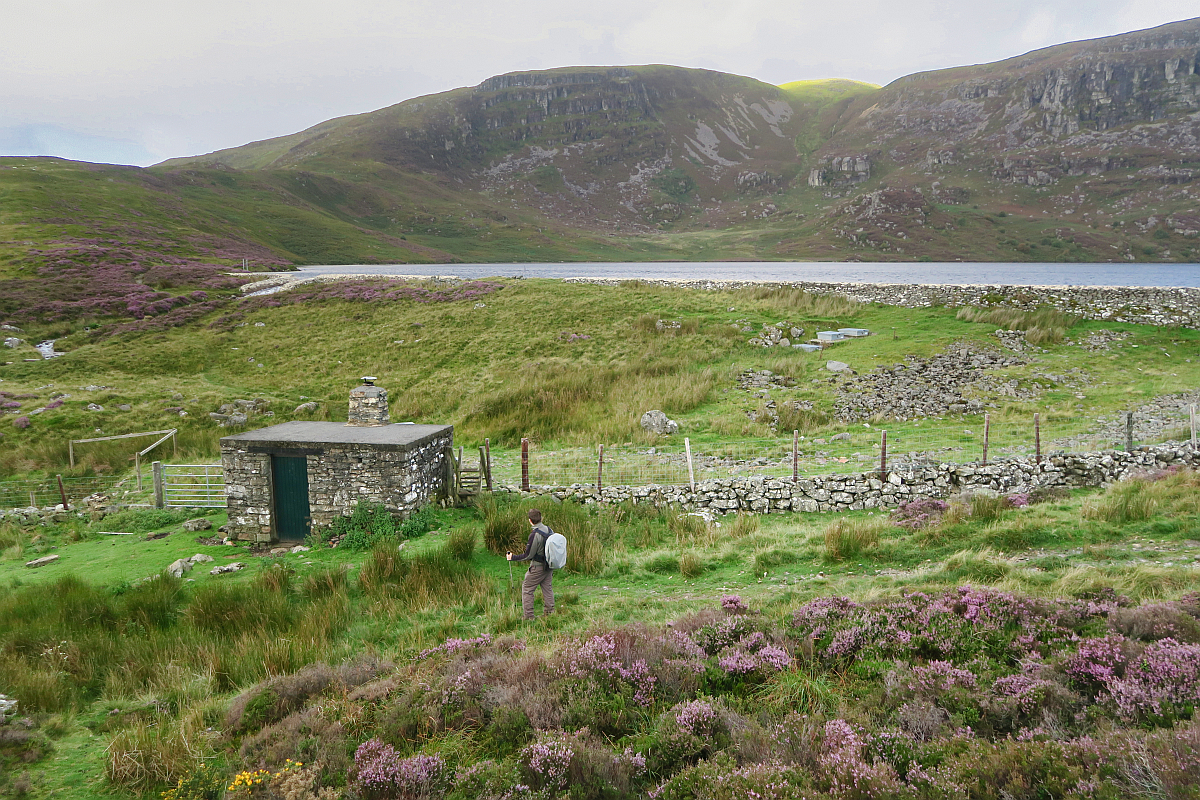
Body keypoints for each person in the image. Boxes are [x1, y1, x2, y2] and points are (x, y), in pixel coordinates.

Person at [507, 508, 554, 620]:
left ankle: (528, 616)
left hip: (537, 567)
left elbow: (528, 555)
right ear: (541, 518)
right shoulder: (549, 530)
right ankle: (550, 612)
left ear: (530, 521)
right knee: (547, 588)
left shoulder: (534, 535)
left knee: (527, 589)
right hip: (549, 565)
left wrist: (513, 557)